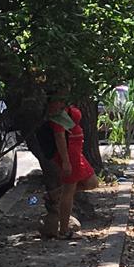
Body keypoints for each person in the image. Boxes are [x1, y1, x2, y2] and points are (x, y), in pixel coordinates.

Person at [41, 96, 97, 239]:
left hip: (76, 152)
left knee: (92, 182)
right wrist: (66, 161)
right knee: (69, 191)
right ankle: (64, 230)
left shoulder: (65, 108)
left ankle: (54, 194)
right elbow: (60, 137)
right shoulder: (56, 117)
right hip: (69, 153)